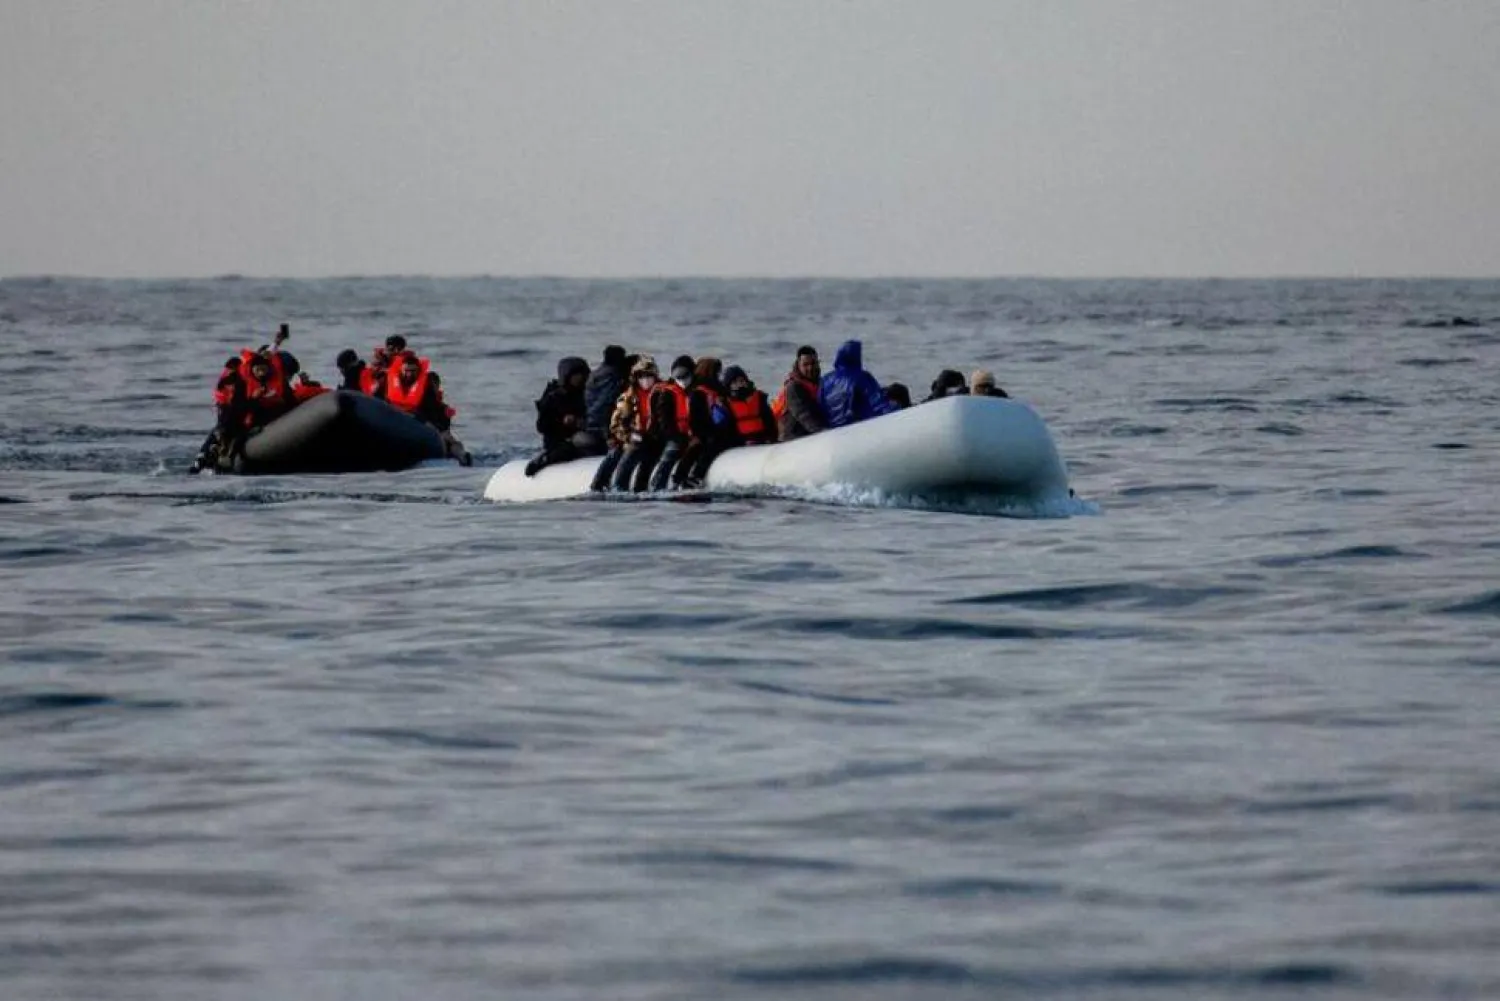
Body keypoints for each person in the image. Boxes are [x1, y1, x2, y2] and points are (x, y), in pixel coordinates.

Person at [375, 350, 472, 466]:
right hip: (393, 417)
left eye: (413, 371)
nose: (409, 374)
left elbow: (432, 408)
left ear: (418, 371)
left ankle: (462, 457)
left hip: (419, 420)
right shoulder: (387, 381)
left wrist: (434, 425)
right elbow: (375, 400)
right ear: (401, 369)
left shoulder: (425, 387)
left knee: (447, 438)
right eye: (407, 371)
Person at [596, 355, 660, 492]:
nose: (646, 379)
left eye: (649, 375)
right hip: (633, 437)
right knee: (627, 453)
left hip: (655, 437)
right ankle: (616, 487)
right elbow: (617, 423)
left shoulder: (662, 393)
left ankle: (642, 487)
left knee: (650, 456)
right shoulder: (628, 397)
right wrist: (628, 436)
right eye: (642, 376)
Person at [673, 357, 738, 488]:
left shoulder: (717, 391)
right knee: (704, 448)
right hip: (706, 433)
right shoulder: (700, 392)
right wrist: (704, 434)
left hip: (715, 431)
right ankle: (694, 476)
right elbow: (695, 418)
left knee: (703, 447)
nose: (719, 375)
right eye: (717, 371)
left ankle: (683, 477)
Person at [523, 356, 591, 476]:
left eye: (582, 374)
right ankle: (543, 460)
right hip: (558, 441)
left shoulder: (587, 394)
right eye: (576, 375)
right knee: (566, 451)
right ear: (567, 376)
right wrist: (562, 421)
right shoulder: (553, 397)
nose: (579, 378)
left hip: (582, 435)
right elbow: (542, 426)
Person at [820, 339, 896, 429]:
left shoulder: (825, 380)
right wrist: (897, 409)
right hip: (857, 427)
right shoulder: (861, 377)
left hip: (832, 429)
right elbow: (877, 402)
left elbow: (820, 406)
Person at [646, 355, 695, 491]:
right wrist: (675, 436)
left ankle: (688, 478)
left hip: (692, 434)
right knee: (672, 451)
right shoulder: (667, 393)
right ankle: (657, 484)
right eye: (678, 376)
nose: (682, 380)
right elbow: (664, 420)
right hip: (674, 435)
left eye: (685, 375)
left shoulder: (696, 391)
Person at [581, 344, 629, 455]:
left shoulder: (596, 374)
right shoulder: (612, 376)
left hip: (590, 421)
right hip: (600, 425)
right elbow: (606, 404)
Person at [772, 345, 825, 441]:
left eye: (813, 363)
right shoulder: (793, 387)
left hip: (810, 435)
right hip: (792, 439)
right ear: (798, 365)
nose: (810, 368)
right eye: (805, 364)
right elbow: (804, 414)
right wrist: (825, 433)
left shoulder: (821, 383)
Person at [723, 366, 778, 445]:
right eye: (735, 382)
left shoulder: (759, 397)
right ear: (729, 385)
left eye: (742, 381)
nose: (739, 384)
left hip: (762, 440)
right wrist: (739, 442)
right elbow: (728, 429)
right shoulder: (726, 403)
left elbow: (769, 420)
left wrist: (771, 438)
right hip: (740, 444)